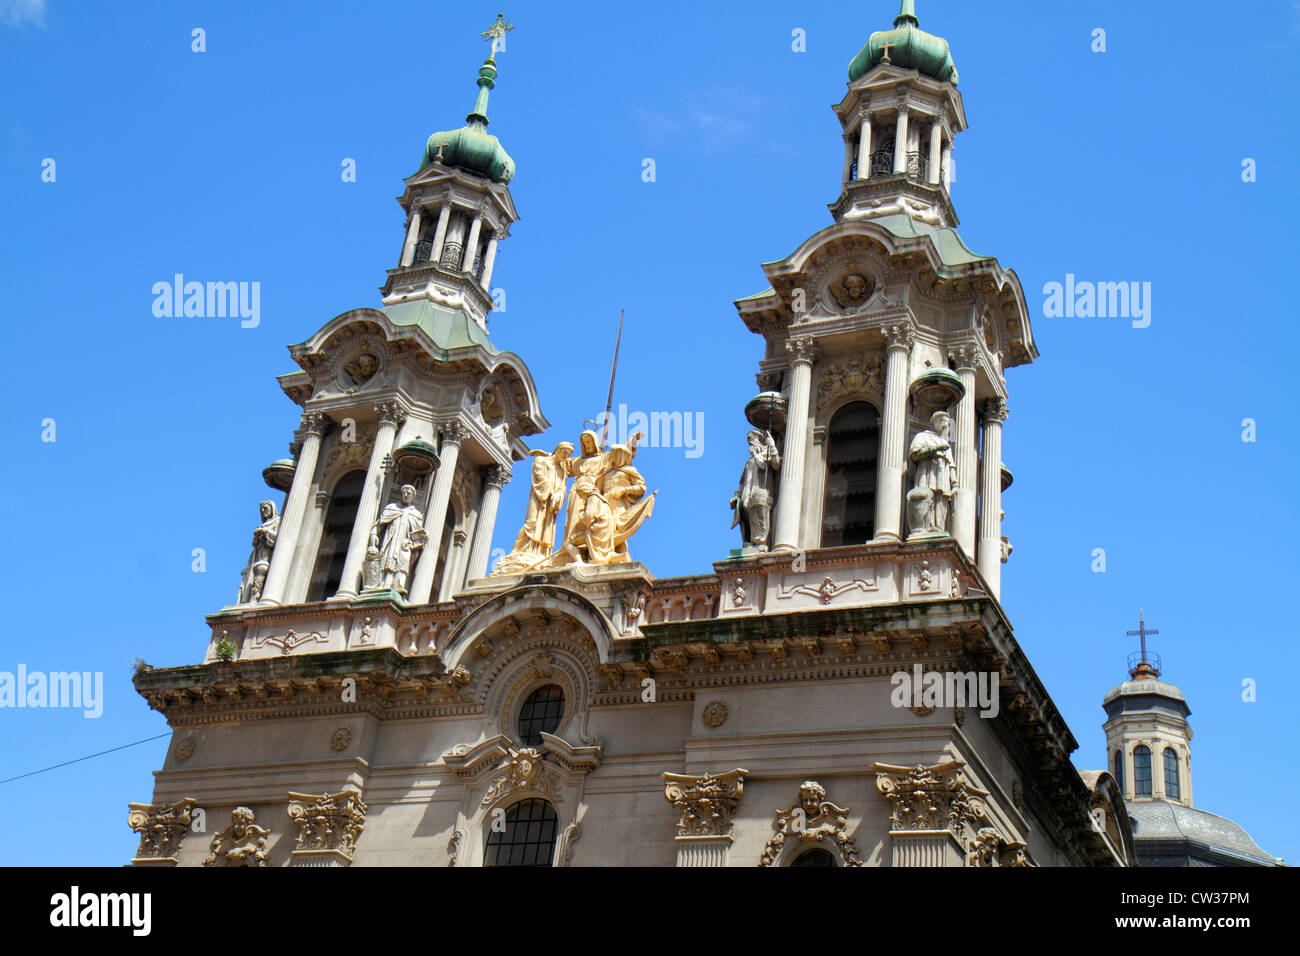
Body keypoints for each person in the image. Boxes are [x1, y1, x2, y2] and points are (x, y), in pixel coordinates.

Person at [493, 442, 573, 574]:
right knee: (531, 523)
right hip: (539, 498)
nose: (565, 456)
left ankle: (540, 553)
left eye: (568, 455)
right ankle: (519, 551)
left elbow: (563, 487)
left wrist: (558, 495)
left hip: (551, 504)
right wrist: (550, 492)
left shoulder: (562, 470)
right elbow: (539, 477)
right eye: (564, 452)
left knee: (547, 527)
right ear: (558, 450)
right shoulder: (541, 460)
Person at [369, 484, 426, 594]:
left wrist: (419, 540)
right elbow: (379, 525)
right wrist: (373, 535)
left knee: (402, 564)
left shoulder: (415, 514)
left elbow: (417, 534)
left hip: (405, 545)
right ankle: (384, 584)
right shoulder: (392, 508)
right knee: (387, 560)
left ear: (413, 496)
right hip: (391, 540)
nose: (406, 495)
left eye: (408, 493)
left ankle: (398, 586)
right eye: (404, 492)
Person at [730, 429, 781, 550]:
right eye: (749, 441)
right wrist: (737, 496)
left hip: (760, 491)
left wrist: (772, 446)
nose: (751, 443)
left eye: (753, 440)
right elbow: (743, 481)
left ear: (760, 441)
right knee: (747, 519)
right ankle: (750, 543)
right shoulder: (750, 461)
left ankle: (760, 543)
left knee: (759, 518)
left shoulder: (766, 455)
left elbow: (776, 464)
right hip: (747, 494)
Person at [238, 500, 279, 603]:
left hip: (266, 555)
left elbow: (278, 538)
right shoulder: (264, 524)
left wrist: (265, 532)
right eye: (262, 509)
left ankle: (257, 597)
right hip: (257, 555)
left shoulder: (278, 521)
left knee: (262, 573)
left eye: (266, 508)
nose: (263, 510)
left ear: (272, 509)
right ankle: (253, 597)